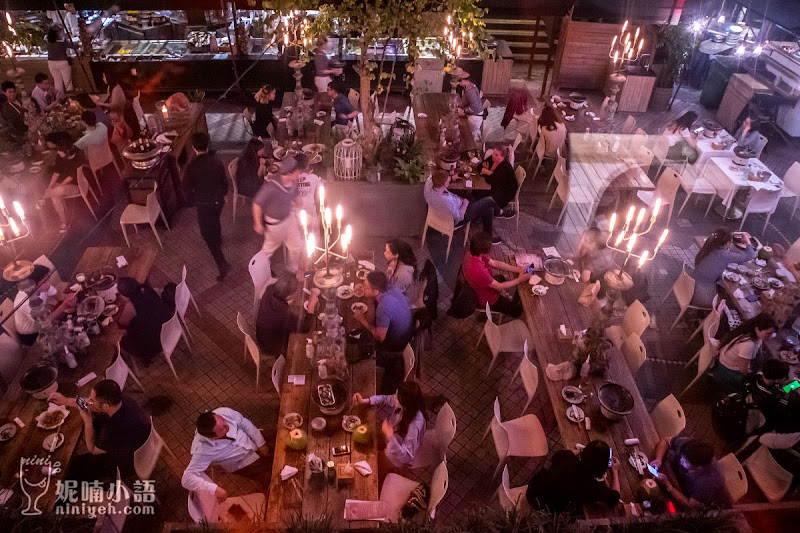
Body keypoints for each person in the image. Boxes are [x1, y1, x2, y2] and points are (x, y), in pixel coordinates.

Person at [50, 380, 150, 482]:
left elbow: (92, 450)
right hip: (139, 443)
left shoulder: (113, 429)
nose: (89, 401)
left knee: (75, 466)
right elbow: (89, 404)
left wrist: (88, 422)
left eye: (92, 400)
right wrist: (65, 400)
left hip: (129, 463)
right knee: (98, 421)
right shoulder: (124, 400)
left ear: (106, 406)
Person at [182, 408, 271, 502]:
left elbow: (244, 423)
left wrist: (261, 443)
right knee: (272, 479)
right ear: (213, 437)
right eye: (222, 429)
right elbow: (187, 479)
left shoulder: (223, 412)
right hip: (244, 463)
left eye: (223, 421)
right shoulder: (202, 450)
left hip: (252, 439)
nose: (227, 425)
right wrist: (215, 489)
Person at [353, 271, 414, 394]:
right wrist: (366, 292)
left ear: (375, 291)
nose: (363, 288)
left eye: (365, 286)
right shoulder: (391, 290)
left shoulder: (383, 307)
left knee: (357, 349)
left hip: (394, 348)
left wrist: (362, 320)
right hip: (407, 333)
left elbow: (380, 337)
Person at [183, 132, 231, 281]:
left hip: (204, 205)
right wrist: (223, 194)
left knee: (206, 234)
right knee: (215, 222)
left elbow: (185, 189)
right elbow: (224, 181)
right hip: (218, 202)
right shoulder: (216, 161)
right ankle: (219, 238)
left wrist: (193, 201)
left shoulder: (192, 167)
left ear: (193, 147)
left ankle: (221, 262)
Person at [526, 440, 621, 514]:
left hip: (534, 492)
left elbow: (558, 454)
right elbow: (615, 498)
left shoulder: (567, 457)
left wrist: (581, 451)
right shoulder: (592, 486)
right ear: (602, 468)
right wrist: (615, 472)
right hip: (547, 510)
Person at [352, 381, 426, 468]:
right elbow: (385, 399)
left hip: (400, 452)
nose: (395, 399)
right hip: (393, 435)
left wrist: (390, 436)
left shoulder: (414, 425)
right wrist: (366, 401)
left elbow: (406, 456)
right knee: (372, 440)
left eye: (397, 398)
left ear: (406, 404)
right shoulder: (404, 402)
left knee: (374, 465)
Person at [252, 155, 304, 274]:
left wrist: (300, 206)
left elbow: (296, 196)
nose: (299, 175)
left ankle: (293, 269)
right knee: (268, 250)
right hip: (275, 225)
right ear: (289, 173)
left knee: (296, 246)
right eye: (297, 172)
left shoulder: (293, 182)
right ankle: (262, 271)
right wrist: (258, 223)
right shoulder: (271, 187)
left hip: (289, 218)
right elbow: (257, 203)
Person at [649, 436, 733, 509]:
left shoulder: (707, 482)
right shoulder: (689, 446)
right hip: (681, 482)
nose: (681, 460)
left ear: (699, 467)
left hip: (705, 507)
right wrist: (658, 459)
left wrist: (667, 484)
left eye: (685, 461)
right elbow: (665, 440)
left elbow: (689, 505)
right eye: (682, 456)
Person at [462, 232, 529, 318]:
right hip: (487, 299)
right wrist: (519, 280)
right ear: (485, 251)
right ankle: (515, 301)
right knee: (517, 311)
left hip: (480, 287)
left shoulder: (472, 253)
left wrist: (517, 269)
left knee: (501, 277)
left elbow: (495, 263)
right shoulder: (478, 270)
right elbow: (498, 286)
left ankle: (516, 296)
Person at [424, 171, 500, 244]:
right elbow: (459, 217)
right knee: (489, 200)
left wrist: (452, 177)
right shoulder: (446, 201)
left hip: (438, 211)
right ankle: (500, 212)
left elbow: (431, 177)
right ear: (444, 184)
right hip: (458, 217)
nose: (449, 181)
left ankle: (488, 238)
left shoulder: (429, 184)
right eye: (447, 181)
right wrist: (465, 204)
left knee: (489, 208)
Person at [13, 265, 77, 346]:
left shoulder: (43, 287)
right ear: (32, 286)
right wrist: (63, 306)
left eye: (48, 279)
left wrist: (72, 296)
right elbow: (44, 323)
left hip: (44, 316)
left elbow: (60, 297)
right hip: (32, 333)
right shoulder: (25, 302)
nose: (49, 284)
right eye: (44, 282)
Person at [256, 274, 318, 356]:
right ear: (289, 296)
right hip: (272, 346)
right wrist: (311, 306)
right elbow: (305, 328)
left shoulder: (270, 288)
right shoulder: (282, 312)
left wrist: (304, 274)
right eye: (296, 290)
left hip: (263, 334)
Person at [713, 313, 777, 392]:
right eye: (768, 333)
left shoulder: (753, 333)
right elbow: (743, 370)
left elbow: (759, 352)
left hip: (726, 361)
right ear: (757, 329)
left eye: (772, 334)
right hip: (728, 371)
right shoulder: (748, 345)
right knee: (752, 387)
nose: (770, 337)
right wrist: (756, 376)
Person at [692, 229, 756, 308]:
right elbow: (751, 255)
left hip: (690, 284)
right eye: (731, 242)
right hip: (699, 295)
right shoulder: (724, 255)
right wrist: (746, 239)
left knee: (721, 285)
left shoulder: (710, 245)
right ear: (727, 243)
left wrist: (734, 234)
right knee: (727, 303)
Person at [116, 277, 174, 361]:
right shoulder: (147, 289)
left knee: (119, 339)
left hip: (154, 346)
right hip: (169, 328)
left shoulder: (131, 307)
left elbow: (121, 324)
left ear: (124, 295)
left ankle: (133, 361)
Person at [41, 139, 86, 232]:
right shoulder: (60, 157)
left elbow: (71, 177)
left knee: (58, 191)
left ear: (66, 152)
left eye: (60, 151)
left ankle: (42, 199)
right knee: (54, 195)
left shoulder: (78, 159)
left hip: (77, 185)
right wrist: (50, 188)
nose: (58, 152)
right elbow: (56, 174)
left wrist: (53, 190)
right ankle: (64, 221)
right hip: (62, 185)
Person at [743, 359, 797, 434]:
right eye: (785, 377)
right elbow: (781, 403)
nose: (787, 378)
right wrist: (793, 387)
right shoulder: (770, 395)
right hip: (766, 414)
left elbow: (777, 387)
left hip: (755, 398)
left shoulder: (759, 374)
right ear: (777, 380)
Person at [479, 145, 518, 217]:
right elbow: (480, 166)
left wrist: (487, 171)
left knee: (481, 195)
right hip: (496, 186)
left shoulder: (504, 167)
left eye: (496, 155)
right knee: (477, 192)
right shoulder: (493, 158)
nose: (493, 156)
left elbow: (490, 180)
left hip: (504, 193)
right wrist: (489, 172)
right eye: (493, 153)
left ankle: (498, 212)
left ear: (502, 157)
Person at [384, 239, 417, 306]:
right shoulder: (395, 260)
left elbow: (395, 294)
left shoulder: (404, 273)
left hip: (401, 302)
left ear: (396, 255)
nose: (384, 253)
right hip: (392, 289)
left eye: (387, 252)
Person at [46, 27, 73, 95]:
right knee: (67, 82)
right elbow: (73, 45)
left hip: (51, 63)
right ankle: (71, 98)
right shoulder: (62, 41)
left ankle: (60, 99)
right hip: (62, 62)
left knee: (57, 82)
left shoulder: (48, 41)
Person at [457, 72, 484, 142]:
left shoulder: (470, 92)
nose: (459, 83)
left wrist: (464, 111)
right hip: (474, 115)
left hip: (474, 117)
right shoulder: (469, 86)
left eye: (459, 81)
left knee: (468, 136)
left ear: (464, 80)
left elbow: (474, 107)